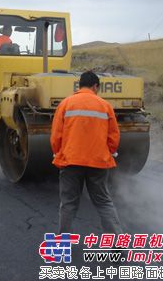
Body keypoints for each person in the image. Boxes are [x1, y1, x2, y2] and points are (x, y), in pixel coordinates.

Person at [50, 71, 123, 235]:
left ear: (79, 85)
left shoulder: (66, 104)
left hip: (70, 161)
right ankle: (117, 242)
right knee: (104, 202)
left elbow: (56, 135)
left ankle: (63, 242)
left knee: (68, 204)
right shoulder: (105, 106)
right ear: (95, 86)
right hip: (98, 162)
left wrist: (58, 152)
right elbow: (113, 137)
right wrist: (109, 152)